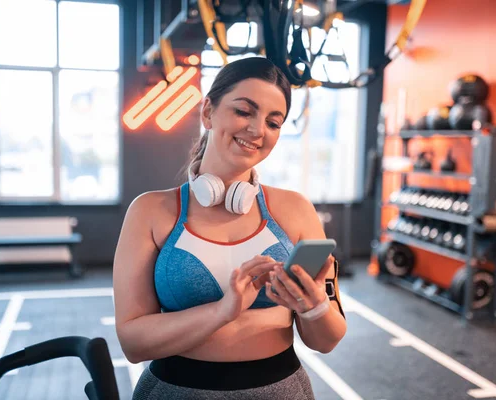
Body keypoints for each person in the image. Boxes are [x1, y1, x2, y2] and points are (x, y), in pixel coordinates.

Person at [113, 57, 347, 400]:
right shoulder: (150, 212)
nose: (257, 130)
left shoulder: (296, 210)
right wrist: (224, 311)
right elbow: (133, 343)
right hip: (174, 391)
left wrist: (313, 307)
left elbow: (326, 340)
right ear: (208, 111)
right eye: (244, 111)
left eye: (273, 121)